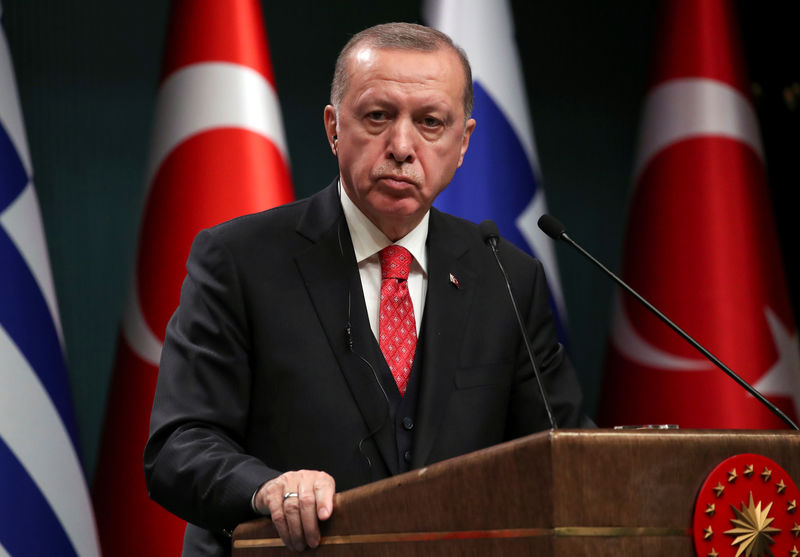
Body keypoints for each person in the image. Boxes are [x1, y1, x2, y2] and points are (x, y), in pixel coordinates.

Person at [144, 22, 591, 556]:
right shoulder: (239, 260)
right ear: (334, 127)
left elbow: (563, 458)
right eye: (378, 117)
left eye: (430, 123)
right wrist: (265, 488)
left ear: (463, 142)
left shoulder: (507, 277)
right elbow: (179, 445)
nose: (401, 147)